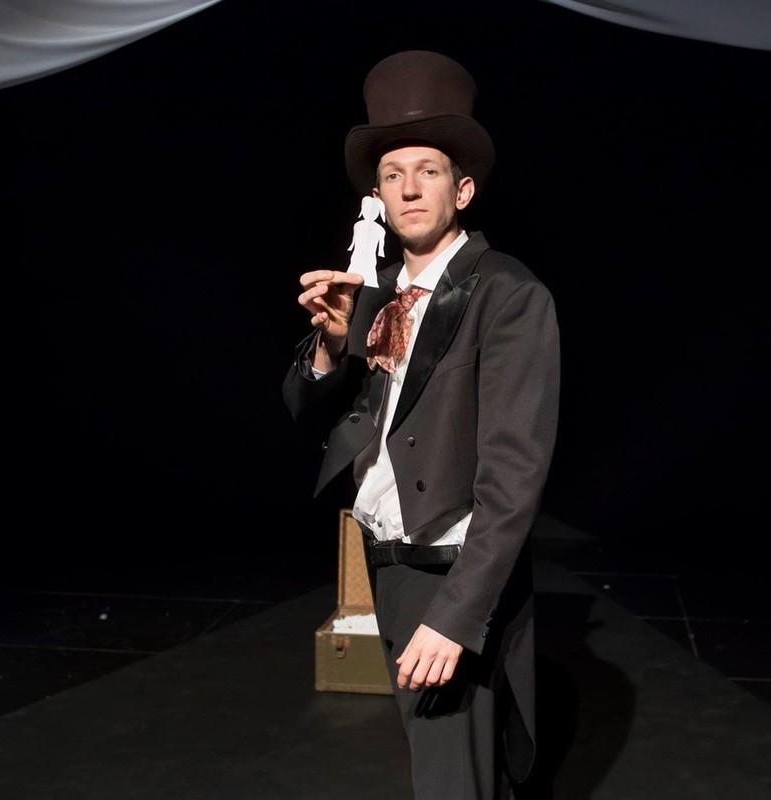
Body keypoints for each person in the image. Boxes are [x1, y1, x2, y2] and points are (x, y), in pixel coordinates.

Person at [283, 50, 561, 799]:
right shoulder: (370, 293)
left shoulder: (508, 294)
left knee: (451, 779)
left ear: (462, 188)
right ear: (376, 195)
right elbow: (304, 410)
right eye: (393, 173)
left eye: (428, 170)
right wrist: (331, 344)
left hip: (451, 571)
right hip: (389, 562)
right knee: (451, 767)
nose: (408, 187)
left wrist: (458, 615)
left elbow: (514, 476)